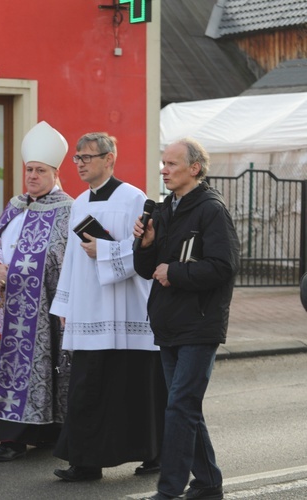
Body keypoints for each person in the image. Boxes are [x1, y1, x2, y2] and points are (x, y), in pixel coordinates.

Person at [50, 132, 166, 482]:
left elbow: (148, 253)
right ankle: (85, 462)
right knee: (87, 387)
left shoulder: (135, 199)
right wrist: (66, 303)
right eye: (77, 159)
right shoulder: (80, 202)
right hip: (89, 309)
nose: (81, 164)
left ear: (109, 159)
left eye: (87, 157)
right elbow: (71, 257)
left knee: (135, 389)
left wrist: (105, 251)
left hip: (127, 310)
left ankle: (153, 455)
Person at [0, 121, 73, 461]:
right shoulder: (16, 204)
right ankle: (11, 437)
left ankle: (38, 434)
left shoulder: (66, 209)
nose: (32, 176)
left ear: (55, 173)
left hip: (43, 307)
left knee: (42, 369)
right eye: (29, 170)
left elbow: (61, 255)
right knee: (8, 368)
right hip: (8, 305)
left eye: (40, 170)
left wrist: (23, 269)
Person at [135, 138, 239, 500]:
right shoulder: (165, 209)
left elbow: (223, 267)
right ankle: (208, 483)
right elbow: (148, 270)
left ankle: (169, 490)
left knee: (180, 405)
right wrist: (145, 245)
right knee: (185, 407)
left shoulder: (211, 210)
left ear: (194, 168)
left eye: (171, 164)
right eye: (162, 163)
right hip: (169, 322)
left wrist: (174, 272)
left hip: (200, 322)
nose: (163, 170)